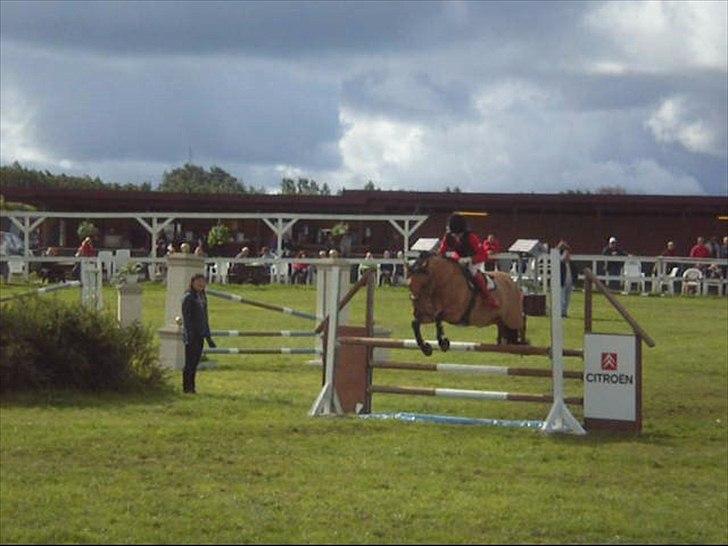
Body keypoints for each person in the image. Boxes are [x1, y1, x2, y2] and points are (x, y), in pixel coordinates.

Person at [439, 213, 498, 308]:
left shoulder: (471, 237)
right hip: (458, 259)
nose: (456, 237)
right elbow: (442, 251)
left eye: (458, 234)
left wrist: (469, 259)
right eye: (454, 234)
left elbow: (483, 255)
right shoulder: (448, 236)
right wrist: (449, 256)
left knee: (472, 272)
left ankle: (488, 298)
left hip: (474, 260)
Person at [181, 274, 216, 394]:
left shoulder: (202, 297)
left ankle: (192, 387)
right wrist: (190, 335)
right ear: (192, 283)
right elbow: (187, 319)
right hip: (192, 335)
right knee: (189, 363)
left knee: (195, 362)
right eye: (198, 282)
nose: (201, 284)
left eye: (203, 282)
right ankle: (187, 387)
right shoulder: (188, 297)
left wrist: (208, 336)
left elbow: (204, 318)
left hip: (200, 334)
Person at [558, 241, 578, 318]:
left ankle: (565, 312)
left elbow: (575, 273)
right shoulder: (560, 264)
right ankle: (561, 313)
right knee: (562, 299)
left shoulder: (571, 264)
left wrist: (574, 282)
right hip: (562, 283)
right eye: (566, 254)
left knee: (567, 299)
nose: (568, 255)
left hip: (569, 283)